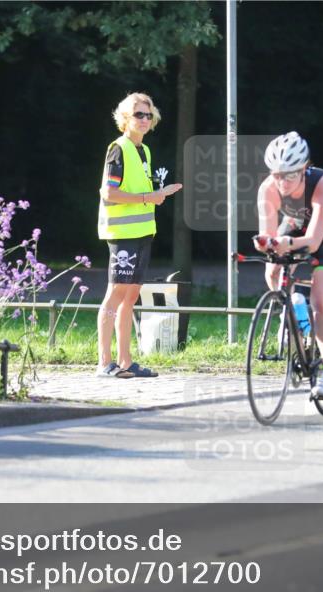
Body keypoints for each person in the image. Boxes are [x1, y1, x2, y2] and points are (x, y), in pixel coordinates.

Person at [254, 131, 323, 400]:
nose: (282, 181)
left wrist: (285, 242)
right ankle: (291, 310)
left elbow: (313, 241)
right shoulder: (268, 188)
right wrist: (266, 244)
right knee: (273, 268)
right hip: (297, 227)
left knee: (321, 300)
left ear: (304, 169)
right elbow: (269, 236)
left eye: (289, 175)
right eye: (276, 174)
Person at [96, 92, 183, 379]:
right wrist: (150, 196)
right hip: (122, 234)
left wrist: (156, 197)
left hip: (143, 232)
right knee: (115, 294)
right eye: (138, 115)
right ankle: (104, 363)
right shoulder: (118, 148)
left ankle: (125, 361)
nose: (144, 120)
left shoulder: (143, 151)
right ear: (125, 118)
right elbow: (109, 192)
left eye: (148, 115)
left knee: (131, 296)